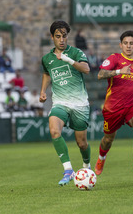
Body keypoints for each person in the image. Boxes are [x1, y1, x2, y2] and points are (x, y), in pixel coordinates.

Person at [94, 30, 133, 180]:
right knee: (108, 139)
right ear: (121, 45)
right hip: (113, 107)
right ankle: (101, 158)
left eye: (131, 43)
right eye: (125, 43)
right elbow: (100, 74)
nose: (128, 46)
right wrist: (119, 71)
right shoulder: (115, 58)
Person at [39, 20, 91, 186]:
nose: (62, 39)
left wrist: (68, 59)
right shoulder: (47, 58)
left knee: (82, 143)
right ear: (52, 37)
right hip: (60, 102)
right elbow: (47, 74)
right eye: (58, 36)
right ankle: (68, 169)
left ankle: (86, 166)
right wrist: (42, 91)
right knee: (54, 130)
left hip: (79, 104)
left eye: (64, 36)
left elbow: (86, 69)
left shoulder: (75, 52)